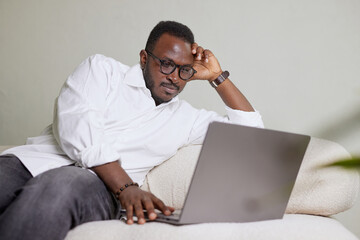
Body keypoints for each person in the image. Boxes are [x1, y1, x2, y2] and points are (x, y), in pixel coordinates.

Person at [0, 21, 263, 239]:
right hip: (28, 162)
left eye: (185, 71)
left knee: (60, 183)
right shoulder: (102, 70)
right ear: (144, 58)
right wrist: (127, 186)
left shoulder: (187, 119)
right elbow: (76, 124)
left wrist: (217, 77)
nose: (174, 77)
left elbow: (253, 138)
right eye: (167, 64)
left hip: (95, 187)